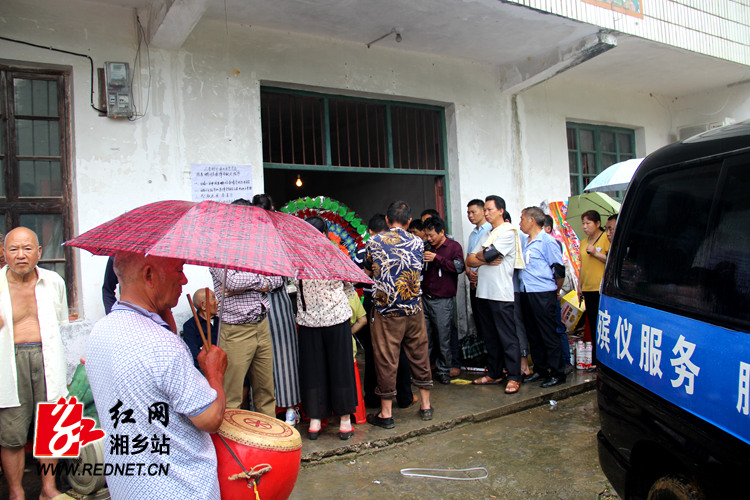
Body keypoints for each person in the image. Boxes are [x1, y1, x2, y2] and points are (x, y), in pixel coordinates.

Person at [86, 251, 227, 499]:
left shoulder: (100, 331)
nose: (184, 280)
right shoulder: (161, 345)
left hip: (127, 486)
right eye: (179, 269)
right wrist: (214, 373)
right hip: (178, 488)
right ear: (149, 275)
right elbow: (210, 419)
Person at [0, 227, 68, 500]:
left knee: (50, 425)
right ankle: (16, 493)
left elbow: (62, 327)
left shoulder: (54, 282)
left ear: (39, 252)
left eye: (27, 248)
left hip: (48, 357)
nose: (20, 255)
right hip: (9, 362)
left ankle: (48, 489)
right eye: (14, 249)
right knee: (12, 432)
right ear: (4, 253)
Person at [364, 201, 433, 429]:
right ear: (409, 221)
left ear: (386, 219)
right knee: (419, 353)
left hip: (387, 309)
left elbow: (367, 271)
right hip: (414, 307)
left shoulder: (374, 242)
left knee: (386, 358)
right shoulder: (418, 242)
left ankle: (386, 413)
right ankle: (425, 406)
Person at [210, 200, 281, 416]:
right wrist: (262, 277)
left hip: (261, 325)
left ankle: (267, 444)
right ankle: (232, 446)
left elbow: (279, 278)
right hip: (235, 330)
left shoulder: (259, 246)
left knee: (266, 391)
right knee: (232, 395)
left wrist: (251, 280)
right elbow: (232, 282)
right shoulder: (217, 248)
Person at [297, 216, 358, 441]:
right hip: (337, 318)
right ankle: (344, 422)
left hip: (309, 322)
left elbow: (292, 286)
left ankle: (315, 422)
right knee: (341, 368)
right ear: (324, 234)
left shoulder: (298, 258)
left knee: (313, 371)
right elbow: (349, 288)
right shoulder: (337, 254)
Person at [355, 214, 415, 410]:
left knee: (374, 352)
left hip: (373, 304)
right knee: (399, 349)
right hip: (396, 302)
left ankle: (372, 399)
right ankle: (405, 396)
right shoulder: (399, 245)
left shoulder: (364, 248)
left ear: (370, 231)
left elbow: (356, 278)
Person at [251, 194, 301, 426]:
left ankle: (263, 413)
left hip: (257, 303)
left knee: (263, 359)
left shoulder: (246, 239)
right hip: (275, 302)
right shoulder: (278, 237)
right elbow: (285, 274)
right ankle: (290, 410)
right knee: (284, 357)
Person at [466, 196, 523, 395]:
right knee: (489, 336)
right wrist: (484, 259)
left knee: (507, 336)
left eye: (490, 209)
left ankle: (514, 376)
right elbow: (470, 260)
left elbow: (489, 255)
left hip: (501, 293)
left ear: (501, 210)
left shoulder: (508, 232)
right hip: (483, 292)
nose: (486, 213)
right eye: (486, 210)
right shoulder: (486, 234)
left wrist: (482, 257)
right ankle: (494, 372)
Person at [518, 207, 567, 387]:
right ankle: (540, 369)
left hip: (543, 292)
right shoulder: (525, 241)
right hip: (526, 292)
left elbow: (559, 270)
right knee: (534, 333)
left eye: (522, 219)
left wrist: (555, 290)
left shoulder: (547, 241)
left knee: (548, 333)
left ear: (532, 220)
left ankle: (557, 372)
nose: (520, 222)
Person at [422, 216, 464, 384]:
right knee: (425, 337)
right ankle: (425, 370)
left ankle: (444, 371)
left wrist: (437, 259)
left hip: (442, 300)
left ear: (441, 232)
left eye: (432, 235)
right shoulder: (426, 246)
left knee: (443, 336)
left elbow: (458, 268)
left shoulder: (453, 247)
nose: (429, 239)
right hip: (425, 297)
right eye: (427, 235)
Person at [578, 210, 610, 368]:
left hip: (601, 288)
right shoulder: (583, 242)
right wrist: (579, 286)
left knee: (603, 324)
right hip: (588, 288)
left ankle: (603, 359)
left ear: (598, 224)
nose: (585, 226)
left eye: (588, 223)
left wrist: (596, 253)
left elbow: (611, 260)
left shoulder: (606, 238)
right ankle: (596, 359)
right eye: (583, 223)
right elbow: (582, 266)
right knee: (593, 323)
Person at [543, 215, 573, 373]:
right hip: (543, 294)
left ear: (547, 228)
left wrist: (555, 290)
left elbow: (558, 271)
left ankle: (565, 361)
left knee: (558, 328)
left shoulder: (552, 244)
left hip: (552, 293)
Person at [182, 287, 220, 369]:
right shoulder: (190, 326)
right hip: (205, 369)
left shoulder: (221, 322)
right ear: (203, 306)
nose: (217, 302)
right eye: (214, 298)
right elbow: (194, 354)